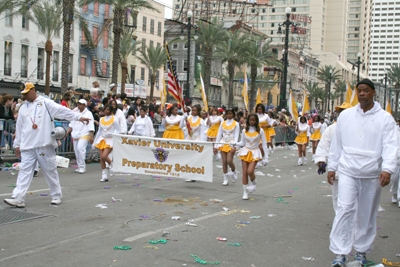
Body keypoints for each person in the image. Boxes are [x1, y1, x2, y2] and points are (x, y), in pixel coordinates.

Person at [327, 79, 397, 267]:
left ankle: (361, 251)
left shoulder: (385, 118)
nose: (362, 94)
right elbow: (337, 144)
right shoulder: (346, 116)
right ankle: (340, 253)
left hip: (372, 174)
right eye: (359, 91)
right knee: (344, 209)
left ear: (374, 93)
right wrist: (332, 166)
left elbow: (391, 146)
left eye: (366, 91)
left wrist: (387, 169)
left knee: (367, 213)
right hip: (348, 170)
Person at [4, 83, 90, 208]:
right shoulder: (23, 107)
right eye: (23, 94)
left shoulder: (45, 103)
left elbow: (62, 111)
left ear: (33, 90)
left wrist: (78, 117)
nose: (25, 96)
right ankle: (18, 197)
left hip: (44, 144)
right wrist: (17, 144)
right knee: (24, 172)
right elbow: (20, 127)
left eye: (27, 93)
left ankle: (56, 195)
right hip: (28, 146)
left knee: (50, 170)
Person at [314, 102, 353, 214]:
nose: (342, 114)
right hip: (336, 169)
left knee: (352, 198)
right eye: (340, 112)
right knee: (337, 196)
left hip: (354, 169)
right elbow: (323, 146)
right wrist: (321, 162)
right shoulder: (332, 129)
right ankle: (339, 219)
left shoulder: (358, 129)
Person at [236, 114, 268, 200]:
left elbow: (264, 144)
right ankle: (245, 191)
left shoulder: (260, 131)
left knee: (250, 171)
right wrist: (235, 144)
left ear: (256, 121)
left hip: (255, 152)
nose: (252, 122)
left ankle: (253, 181)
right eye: (250, 120)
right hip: (245, 152)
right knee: (245, 172)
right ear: (248, 121)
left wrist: (266, 158)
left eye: (254, 120)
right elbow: (242, 143)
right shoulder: (244, 131)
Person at [93, 104, 121, 182]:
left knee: (105, 156)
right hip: (102, 139)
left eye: (108, 109)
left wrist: (113, 134)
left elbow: (119, 131)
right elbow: (99, 131)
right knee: (101, 158)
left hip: (110, 139)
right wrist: (95, 141)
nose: (105, 111)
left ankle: (112, 166)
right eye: (105, 109)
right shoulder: (101, 119)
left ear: (111, 111)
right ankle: (104, 175)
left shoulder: (114, 119)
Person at [66, 99, 94, 174]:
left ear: (84, 105)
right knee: (76, 150)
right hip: (75, 134)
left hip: (84, 134)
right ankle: (79, 166)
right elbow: (71, 125)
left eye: (81, 104)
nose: (79, 105)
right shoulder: (75, 113)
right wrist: (67, 132)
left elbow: (91, 125)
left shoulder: (88, 113)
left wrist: (91, 136)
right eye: (78, 104)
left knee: (80, 149)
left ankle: (82, 167)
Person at [214, 109, 240, 186]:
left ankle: (234, 171)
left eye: (230, 114)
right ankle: (225, 178)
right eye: (227, 114)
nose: (228, 115)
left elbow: (236, 136)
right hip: (223, 143)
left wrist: (235, 146)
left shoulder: (236, 124)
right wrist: (216, 146)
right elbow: (219, 135)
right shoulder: (222, 123)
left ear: (233, 115)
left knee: (229, 160)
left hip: (231, 143)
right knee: (224, 161)